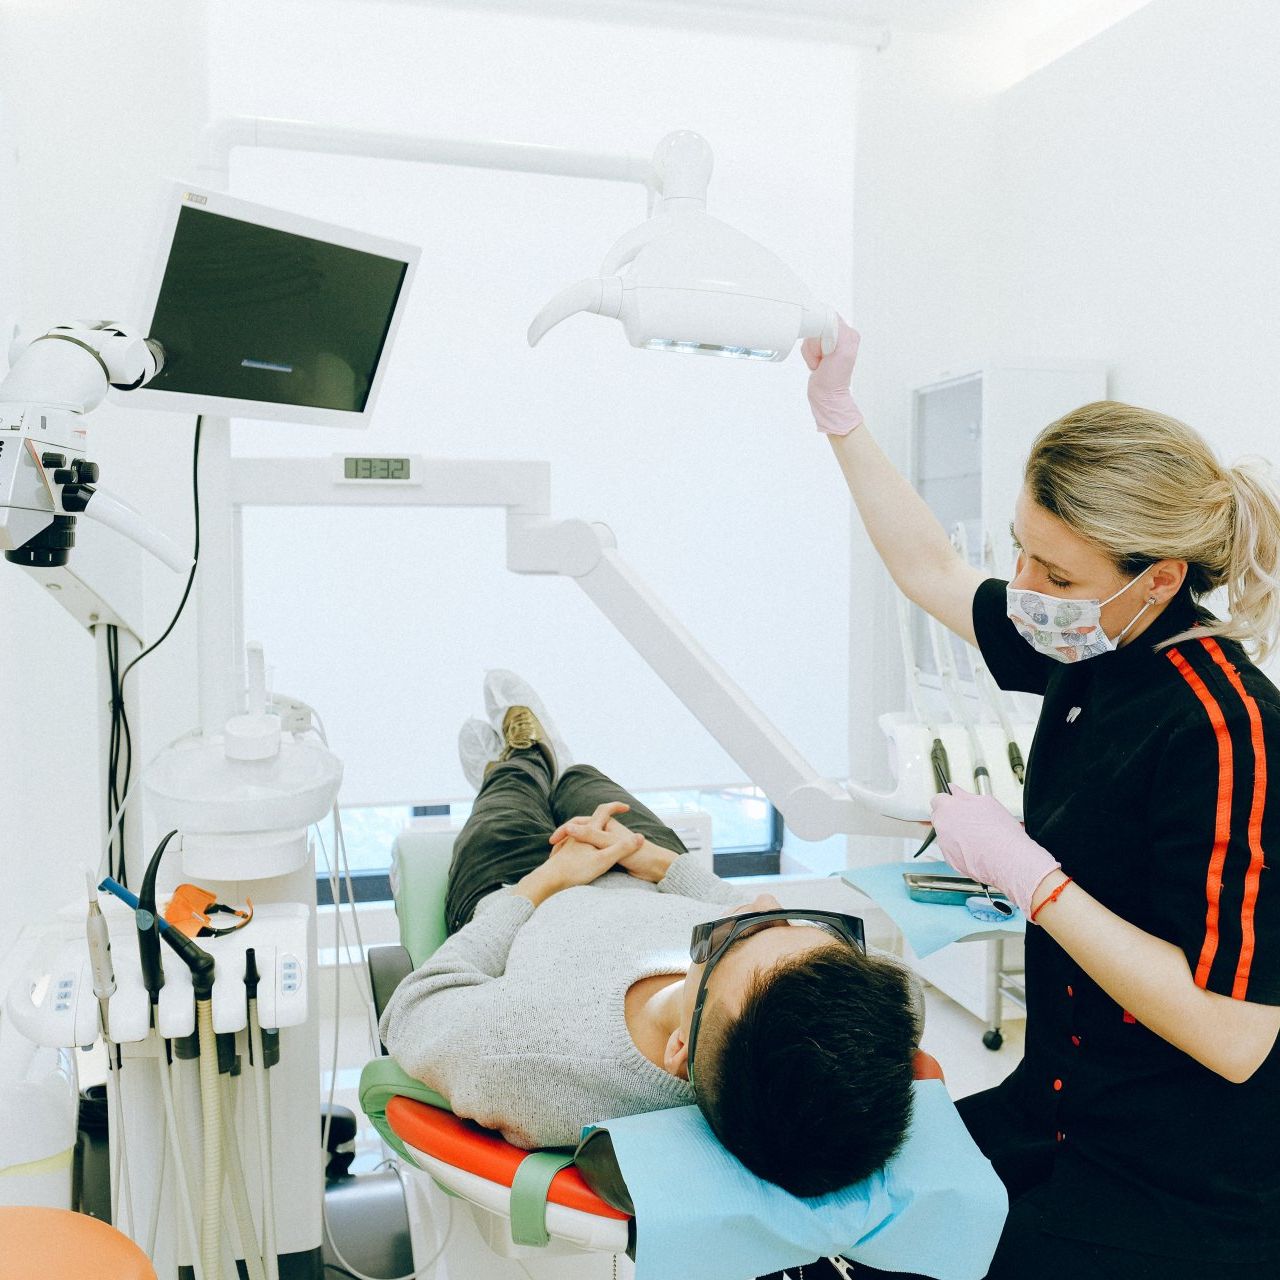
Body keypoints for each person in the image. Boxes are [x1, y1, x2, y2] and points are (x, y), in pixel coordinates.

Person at [804, 321, 1280, 1278]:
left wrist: (1033, 877)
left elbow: (1236, 1036)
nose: (1024, 592)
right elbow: (932, 571)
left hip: (1178, 1183)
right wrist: (841, 419)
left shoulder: (1226, 730)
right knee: (823, 1211)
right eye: (1022, 552)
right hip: (1055, 1108)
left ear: (1161, 582)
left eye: (1055, 576)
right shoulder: (1089, 645)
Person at [378, 670, 922, 1197]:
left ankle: (520, 757)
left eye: (742, 932)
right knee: (588, 782)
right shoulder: (793, 1023)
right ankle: (560, 762)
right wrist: (657, 862)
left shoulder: (525, 1059)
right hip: (646, 872)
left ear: (679, 1049)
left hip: (516, 883)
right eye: (802, 924)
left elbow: (412, 1009)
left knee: (510, 793)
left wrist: (550, 877)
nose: (761, 900)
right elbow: (906, 1000)